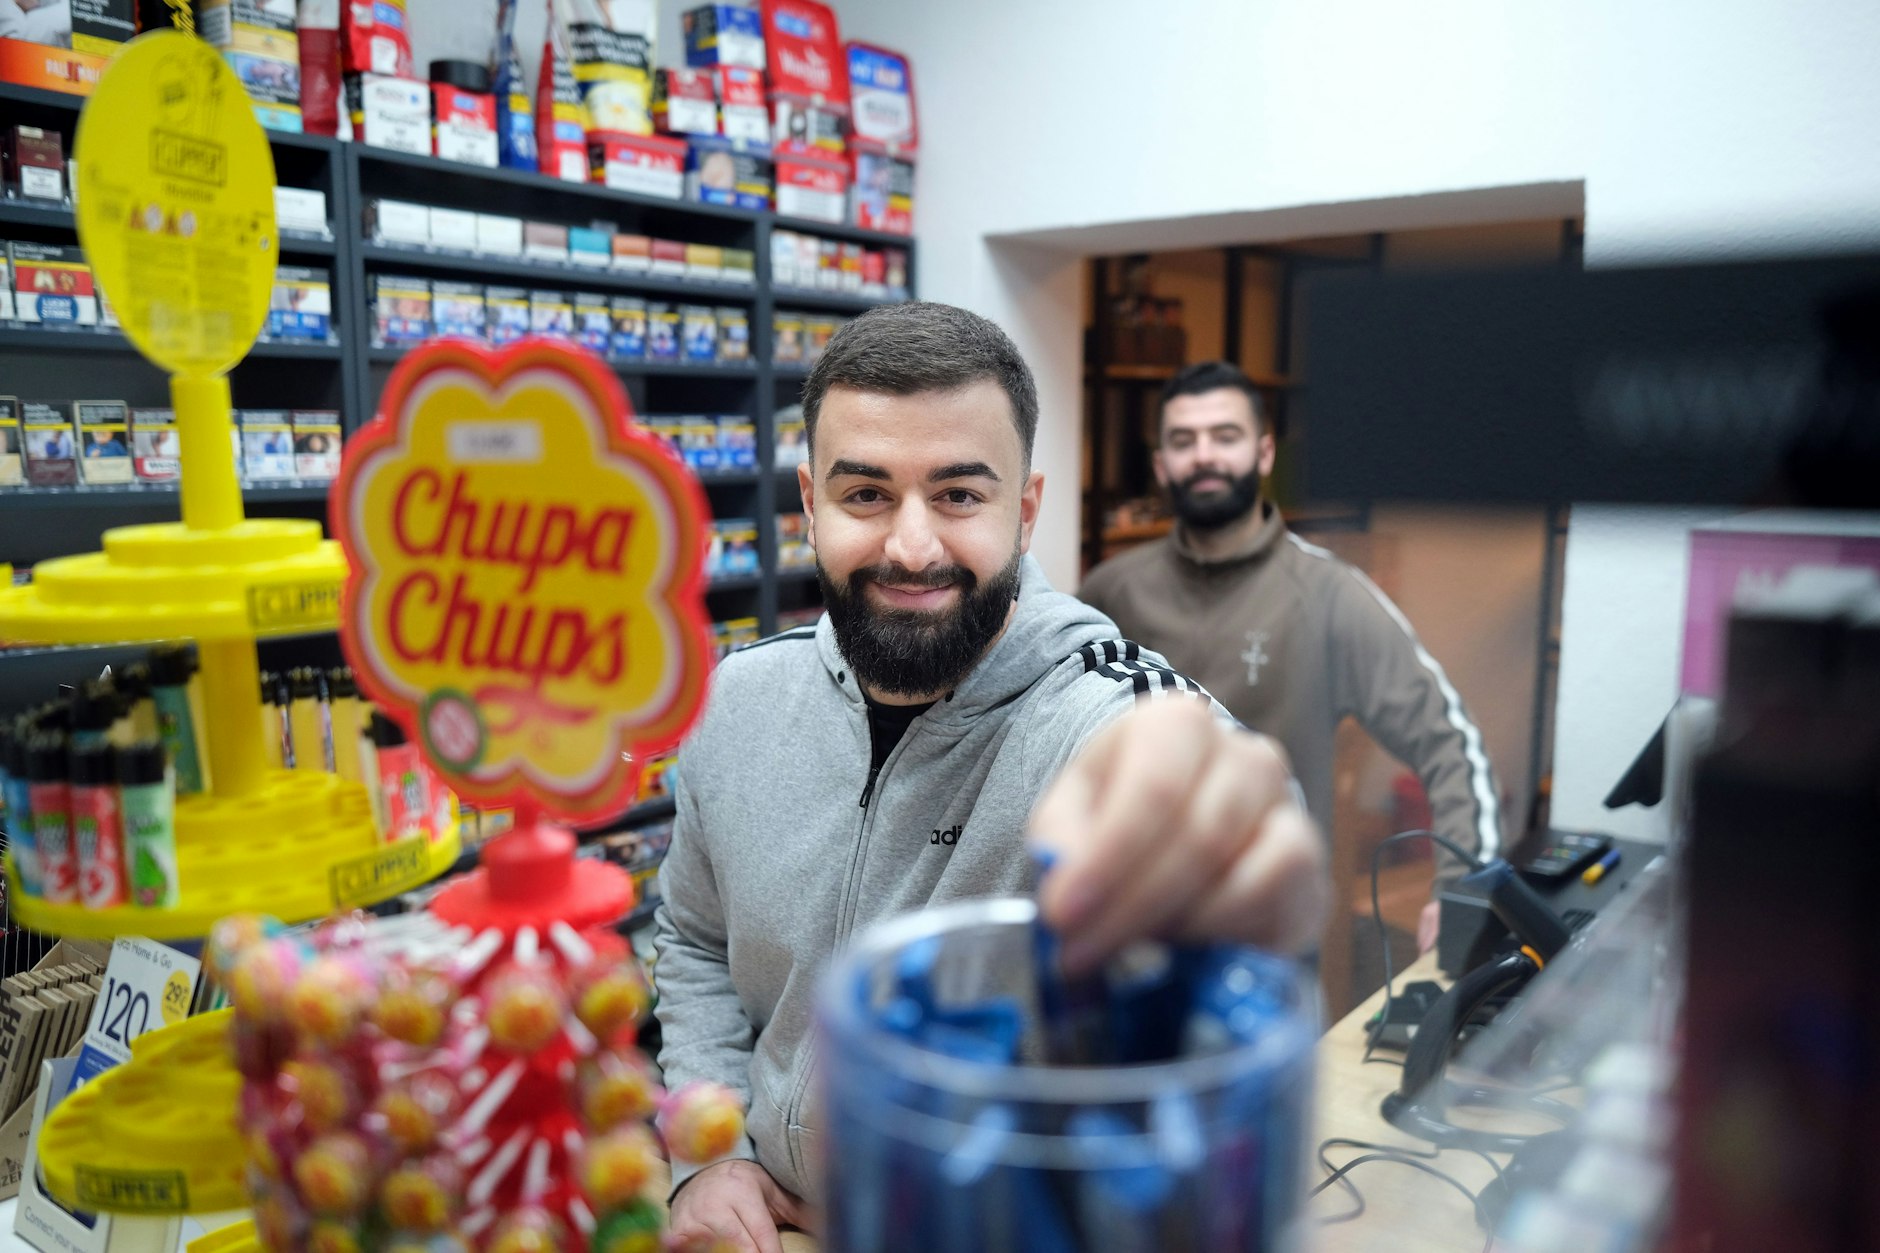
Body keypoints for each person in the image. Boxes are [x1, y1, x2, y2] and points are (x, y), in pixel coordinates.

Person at [655, 305, 1326, 1252]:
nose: (913, 546)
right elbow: (691, 940)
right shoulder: (735, 698)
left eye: (960, 495)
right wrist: (707, 1147)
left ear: (1026, 506)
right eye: (866, 495)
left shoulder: (1101, 712)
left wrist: (1227, 835)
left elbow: (1195, 782)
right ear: (810, 500)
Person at [1079, 361, 1504, 955]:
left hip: (1271, 934)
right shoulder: (1110, 592)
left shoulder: (1329, 594)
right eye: (1183, 441)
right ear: (1160, 466)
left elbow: (1449, 740)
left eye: (1225, 437)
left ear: (1264, 453)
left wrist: (1466, 889)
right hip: (1129, 926)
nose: (1204, 456)